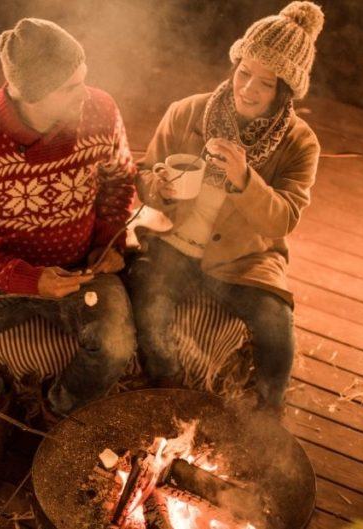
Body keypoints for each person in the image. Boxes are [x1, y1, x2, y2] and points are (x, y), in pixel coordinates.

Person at [0, 18, 137, 480]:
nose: (85, 92)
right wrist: (27, 279)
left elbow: (120, 179)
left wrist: (107, 243)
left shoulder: (100, 111)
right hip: (4, 275)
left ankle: (58, 416)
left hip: (80, 270)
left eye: (84, 76)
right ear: (32, 94)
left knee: (113, 346)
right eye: (71, 85)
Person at [129, 1, 324, 411]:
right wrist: (158, 187)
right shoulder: (186, 112)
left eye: (266, 83)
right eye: (244, 72)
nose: (248, 89)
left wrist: (244, 180)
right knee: (149, 308)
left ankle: (267, 419)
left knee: (275, 329)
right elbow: (145, 176)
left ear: (284, 91)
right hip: (172, 242)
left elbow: (282, 221)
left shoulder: (299, 142)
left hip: (242, 258)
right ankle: (167, 392)